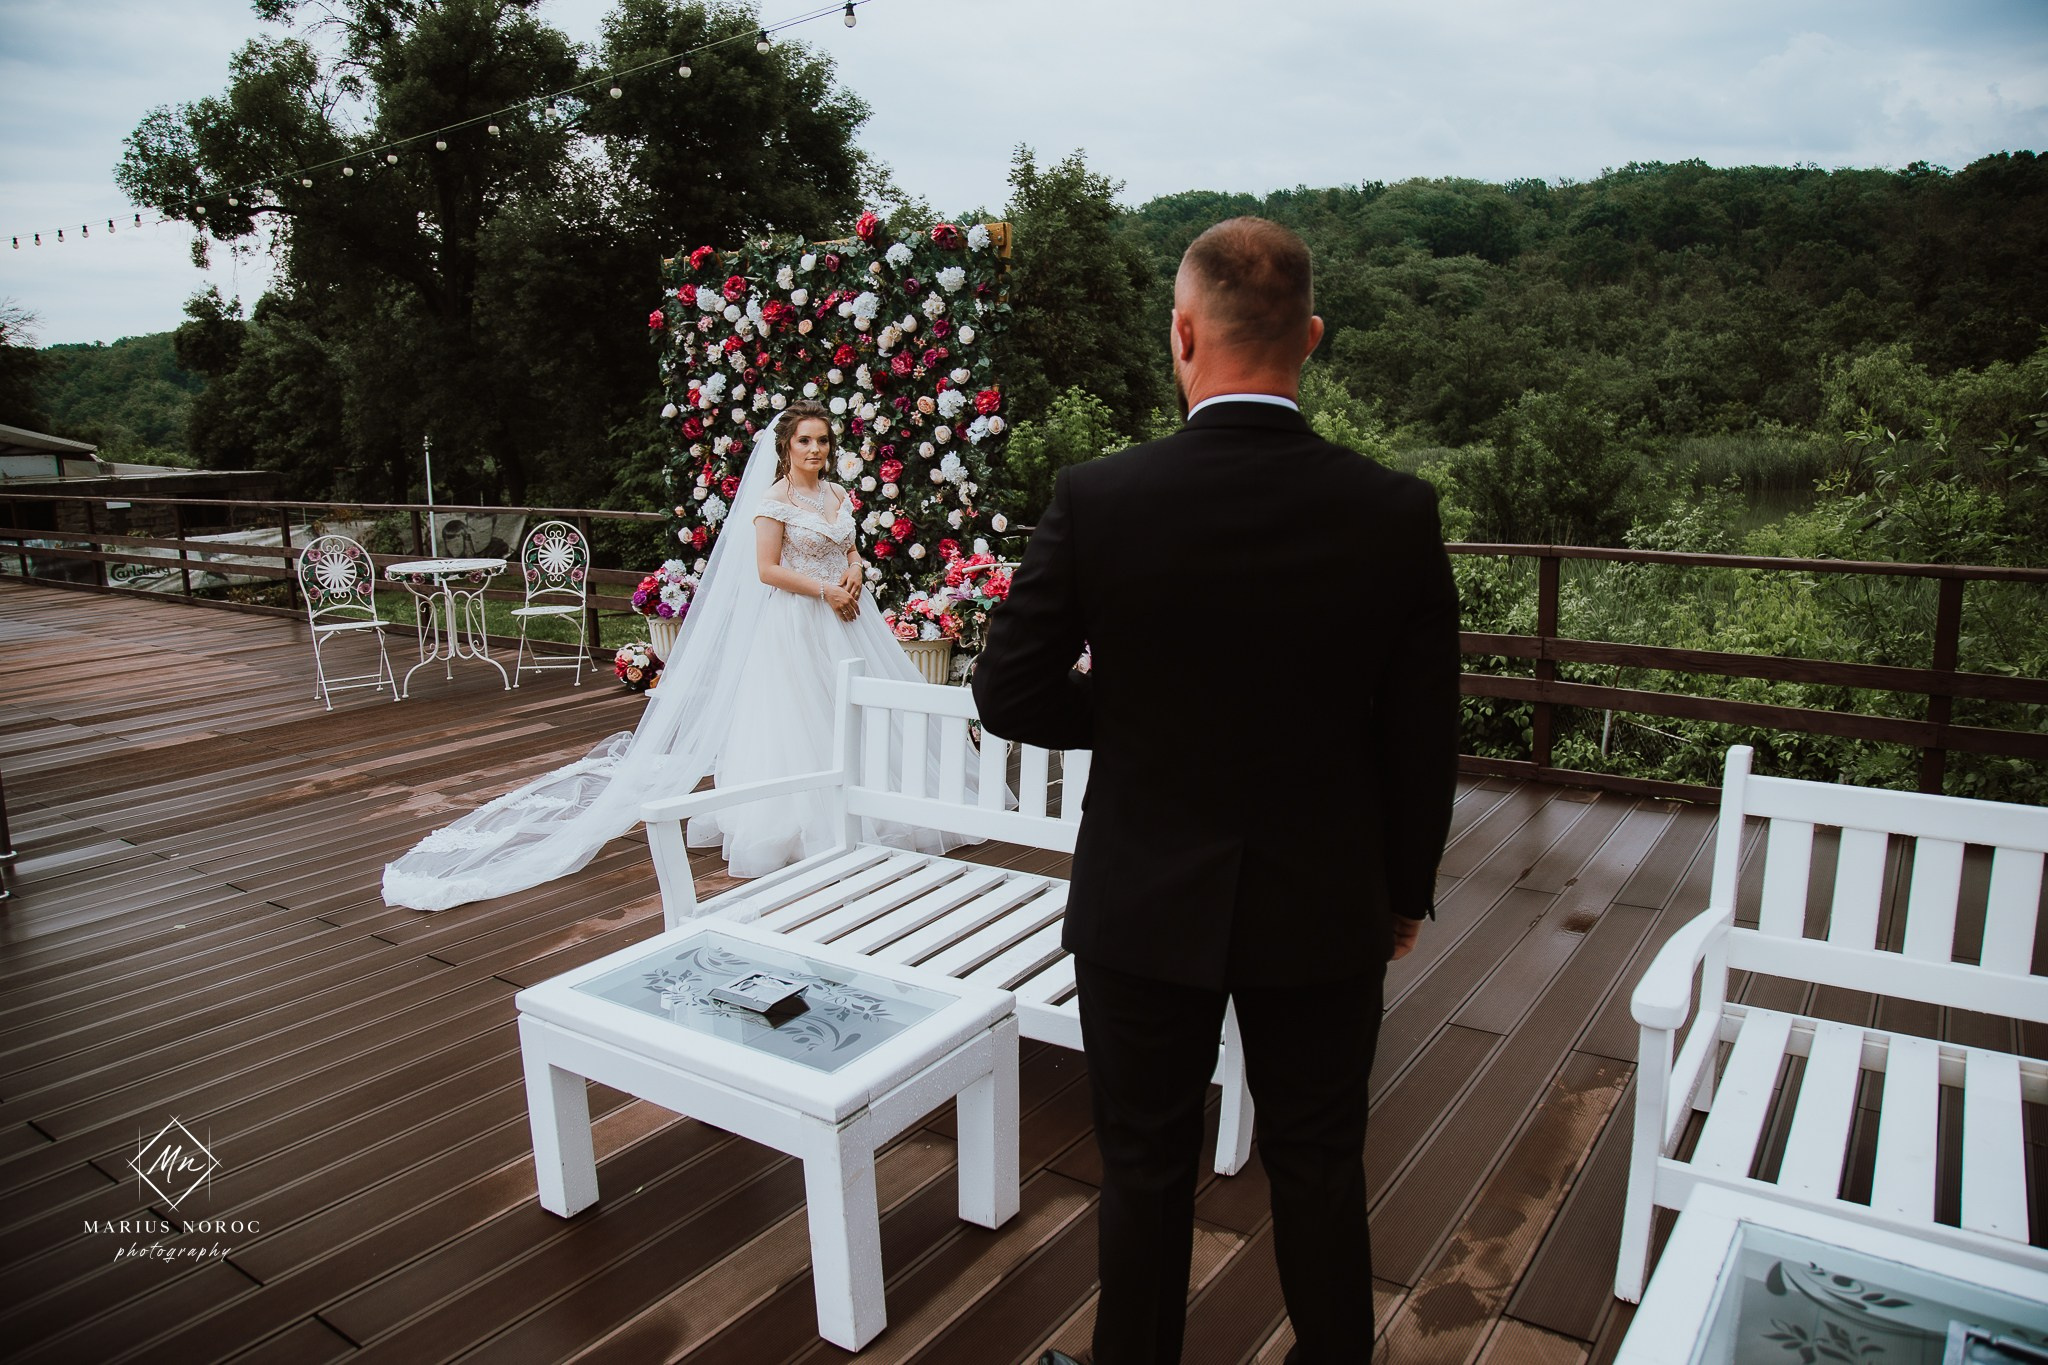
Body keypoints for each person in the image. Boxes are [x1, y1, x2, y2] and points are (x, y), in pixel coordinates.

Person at [972, 217, 1460, 1365]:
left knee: (1141, 1166)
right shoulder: (1395, 511)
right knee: (1318, 1161)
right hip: (1325, 899)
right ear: (1313, 338)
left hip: (1142, 896)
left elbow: (1007, 692)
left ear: (1181, 335)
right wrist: (1400, 892)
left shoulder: (1099, 498)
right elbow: (1422, 734)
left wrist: (1133, 716)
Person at [381, 403, 967, 912]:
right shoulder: (772, 502)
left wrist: (855, 580)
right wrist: (826, 590)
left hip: (849, 614)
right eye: (805, 440)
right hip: (798, 621)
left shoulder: (837, 494)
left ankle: (876, 798)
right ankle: (805, 820)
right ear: (786, 448)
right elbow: (766, 570)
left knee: (860, 711)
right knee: (803, 715)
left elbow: (851, 547)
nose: (816, 449)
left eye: (823, 441)